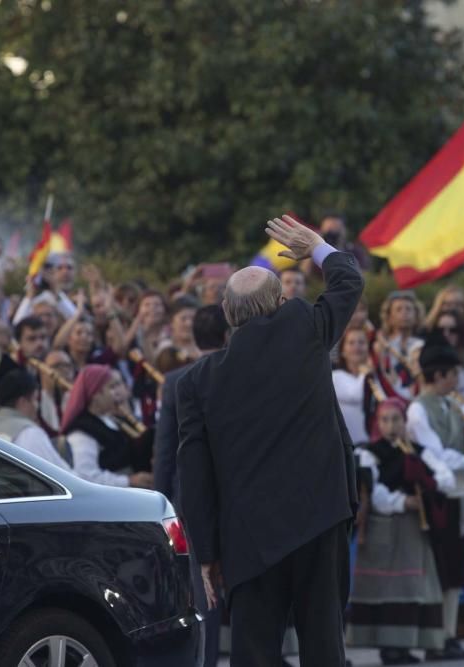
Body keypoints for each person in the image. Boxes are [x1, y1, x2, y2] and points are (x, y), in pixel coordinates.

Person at [176, 216, 362, 666]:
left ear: (226, 314)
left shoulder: (196, 382)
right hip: (321, 518)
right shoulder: (302, 326)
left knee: (253, 652)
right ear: (280, 302)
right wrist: (317, 244)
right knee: (324, 646)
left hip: (249, 537)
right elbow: (348, 280)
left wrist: (206, 554)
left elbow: (194, 474)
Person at [405, 331, 464, 661]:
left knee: (457, 571)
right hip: (437, 498)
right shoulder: (418, 409)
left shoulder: (451, 404)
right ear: (440, 374)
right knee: (440, 569)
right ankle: (434, 640)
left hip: (457, 493)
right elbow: (435, 454)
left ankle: (448, 634)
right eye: (454, 373)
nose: (458, 379)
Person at [347, 397, 455, 666]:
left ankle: (407, 644)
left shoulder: (417, 451)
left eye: (396, 419)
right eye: (385, 420)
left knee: (413, 586)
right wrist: (402, 501)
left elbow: (447, 478)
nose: (391, 425)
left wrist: (426, 485)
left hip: (413, 530)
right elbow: (375, 491)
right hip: (383, 530)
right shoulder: (369, 453)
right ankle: (389, 646)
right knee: (388, 586)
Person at [151, 304, 228, 667]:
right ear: (228, 335)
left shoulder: (175, 380)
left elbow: (165, 449)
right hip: (240, 496)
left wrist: (160, 501)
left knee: (204, 593)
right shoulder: (241, 374)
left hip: (191, 500)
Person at [61, 364, 153, 488]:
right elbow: (85, 475)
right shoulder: (82, 432)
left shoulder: (110, 419)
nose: (115, 393)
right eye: (111, 388)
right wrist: (129, 480)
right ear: (96, 395)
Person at [0, 369, 72, 472]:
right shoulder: (29, 433)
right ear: (23, 402)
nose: (37, 406)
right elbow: (61, 474)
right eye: (35, 399)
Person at [333, 326, 380, 445]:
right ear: (343, 351)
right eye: (351, 343)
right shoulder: (335, 376)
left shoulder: (373, 375)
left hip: (369, 442)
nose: (357, 347)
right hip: (345, 444)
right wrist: (366, 374)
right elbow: (356, 395)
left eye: (361, 342)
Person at [376, 290, 424, 401]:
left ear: (416, 315)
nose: (404, 313)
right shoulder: (381, 346)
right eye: (399, 309)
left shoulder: (423, 346)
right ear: (389, 316)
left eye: (408, 309)